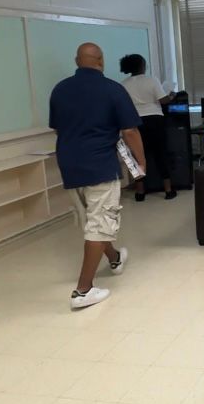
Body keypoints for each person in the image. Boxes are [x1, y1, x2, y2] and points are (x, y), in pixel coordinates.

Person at [50, 43, 145, 309]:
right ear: (101, 61)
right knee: (100, 223)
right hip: (100, 166)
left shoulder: (59, 89)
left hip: (69, 165)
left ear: (76, 60)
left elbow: (58, 129)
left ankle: (114, 258)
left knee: (93, 220)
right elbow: (130, 132)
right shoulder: (113, 89)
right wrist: (141, 163)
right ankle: (83, 290)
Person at [120, 54, 177, 202]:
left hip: (134, 122)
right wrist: (172, 94)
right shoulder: (151, 80)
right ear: (142, 66)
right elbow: (163, 100)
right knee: (160, 154)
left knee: (137, 156)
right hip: (155, 120)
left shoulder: (123, 84)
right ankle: (168, 190)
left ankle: (140, 192)